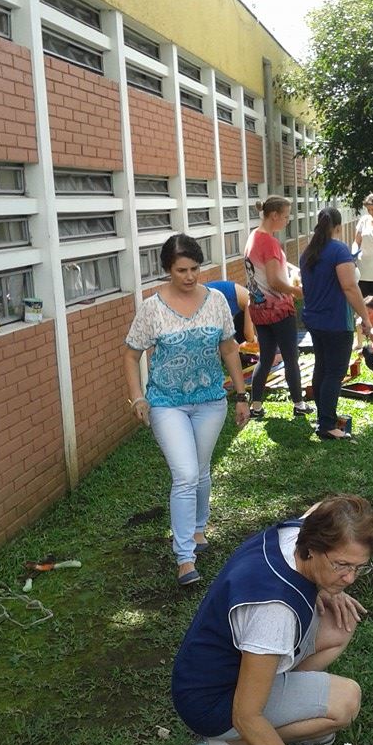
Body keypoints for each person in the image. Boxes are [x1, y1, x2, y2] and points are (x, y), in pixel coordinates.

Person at [171, 494, 373, 745]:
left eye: (358, 567)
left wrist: (332, 586)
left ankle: (286, 719)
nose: (350, 578)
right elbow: (246, 715)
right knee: (345, 703)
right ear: (312, 548)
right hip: (212, 701)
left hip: (219, 669)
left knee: (341, 625)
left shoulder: (300, 531)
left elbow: (326, 505)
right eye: (341, 566)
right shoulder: (274, 613)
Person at [123, 235, 250, 586]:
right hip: (166, 403)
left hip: (210, 400)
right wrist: (138, 397)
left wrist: (241, 395)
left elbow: (228, 349)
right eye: (182, 270)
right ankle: (184, 558)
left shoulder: (217, 301)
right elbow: (131, 354)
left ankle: (197, 528)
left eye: (195, 268)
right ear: (168, 270)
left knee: (202, 470)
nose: (190, 276)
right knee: (185, 474)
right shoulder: (152, 308)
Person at [300, 207, 372, 440]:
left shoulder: (309, 252)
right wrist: (366, 317)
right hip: (336, 323)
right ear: (338, 227)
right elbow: (350, 287)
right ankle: (328, 425)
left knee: (322, 368)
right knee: (334, 373)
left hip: (314, 321)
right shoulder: (339, 250)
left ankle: (323, 418)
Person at [244, 195, 312, 420]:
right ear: (274, 215)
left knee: (265, 358)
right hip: (278, 309)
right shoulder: (270, 243)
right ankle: (299, 404)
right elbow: (274, 280)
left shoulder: (253, 237)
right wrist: (297, 291)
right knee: (291, 356)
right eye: (285, 216)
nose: (288, 220)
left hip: (259, 310)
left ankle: (256, 406)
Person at [205, 279, 256, 344]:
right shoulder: (252, 301)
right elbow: (248, 334)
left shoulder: (243, 305)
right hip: (206, 298)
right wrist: (253, 340)